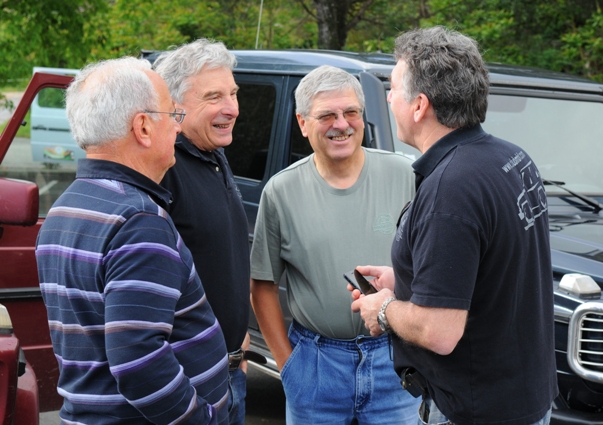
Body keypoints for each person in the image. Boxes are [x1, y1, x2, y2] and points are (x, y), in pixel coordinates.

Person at [351, 26, 558, 425]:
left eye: (393, 88)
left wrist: (383, 307)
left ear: (419, 105)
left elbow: (439, 332)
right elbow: (494, 270)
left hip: (476, 411)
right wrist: (406, 279)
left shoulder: (451, 188)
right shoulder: (511, 158)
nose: (389, 98)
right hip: (523, 397)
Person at [35, 57, 229, 424]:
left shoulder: (65, 207)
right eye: (173, 114)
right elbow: (139, 362)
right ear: (143, 127)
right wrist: (201, 418)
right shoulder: (138, 222)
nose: (178, 126)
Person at [250, 65, 420, 424]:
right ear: (302, 123)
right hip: (315, 366)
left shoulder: (406, 176)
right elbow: (262, 286)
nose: (341, 124)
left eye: (351, 112)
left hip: (395, 363)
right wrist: (288, 366)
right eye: (326, 115)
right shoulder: (280, 192)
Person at [153, 39, 262, 425]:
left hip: (230, 371)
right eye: (214, 96)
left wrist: (238, 345)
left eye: (233, 93)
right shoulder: (164, 168)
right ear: (174, 105)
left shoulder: (214, 153)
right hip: (191, 380)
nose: (232, 108)